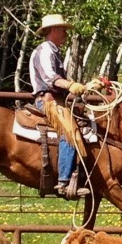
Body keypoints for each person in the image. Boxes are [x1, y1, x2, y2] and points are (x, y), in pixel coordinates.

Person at [28, 14, 97, 197]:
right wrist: (70, 85)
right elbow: (50, 78)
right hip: (48, 101)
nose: (65, 33)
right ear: (52, 31)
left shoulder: (53, 51)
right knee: (70, 133)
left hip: (56, 100)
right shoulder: (45, 51)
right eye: (62, 29)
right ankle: (64, 182)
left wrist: (84, 86)